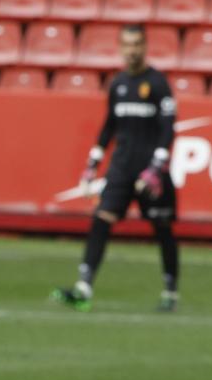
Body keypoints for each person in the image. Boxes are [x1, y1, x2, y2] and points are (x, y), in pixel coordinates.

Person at [52, 23, 181, 314]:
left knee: (163, 228)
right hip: (121, 167)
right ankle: (84, 287)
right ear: (121, 47)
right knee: (102, 217)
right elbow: (109, 126)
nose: (132, 50)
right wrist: (93, 163)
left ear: (144, 46)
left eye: (137, 44)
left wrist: (157, 167)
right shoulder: (119, 84)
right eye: (127, 44)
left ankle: (170, 291)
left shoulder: (158, 84)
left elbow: (167, 128)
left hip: (150, 169)